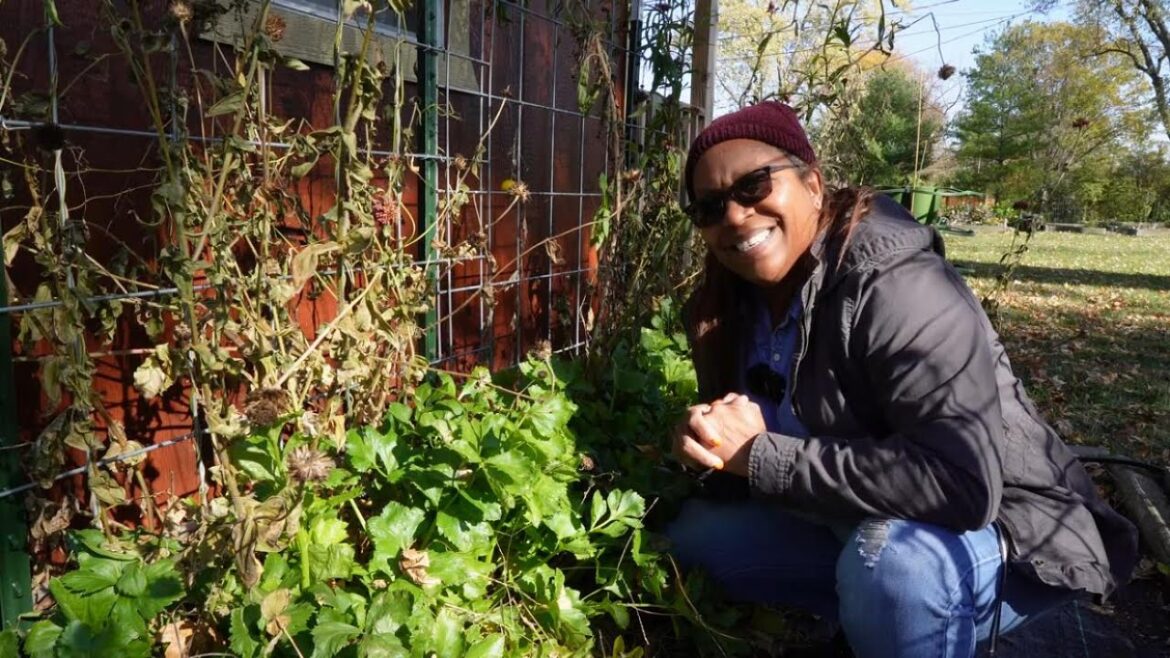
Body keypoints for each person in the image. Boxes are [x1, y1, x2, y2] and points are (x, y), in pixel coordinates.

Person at [665, 101, 1138, 658]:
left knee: (894, 568)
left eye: (754, 185)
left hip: (1012, 534)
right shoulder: (725, 309)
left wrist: (761, 455)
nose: (736, 216)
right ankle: (879, 628)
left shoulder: (897, 283)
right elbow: (750, 456)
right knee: (692, 539)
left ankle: (901, 620)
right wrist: (710, 447)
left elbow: (961, 485)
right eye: (711, 207)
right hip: (852, 523)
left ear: (813, 185)